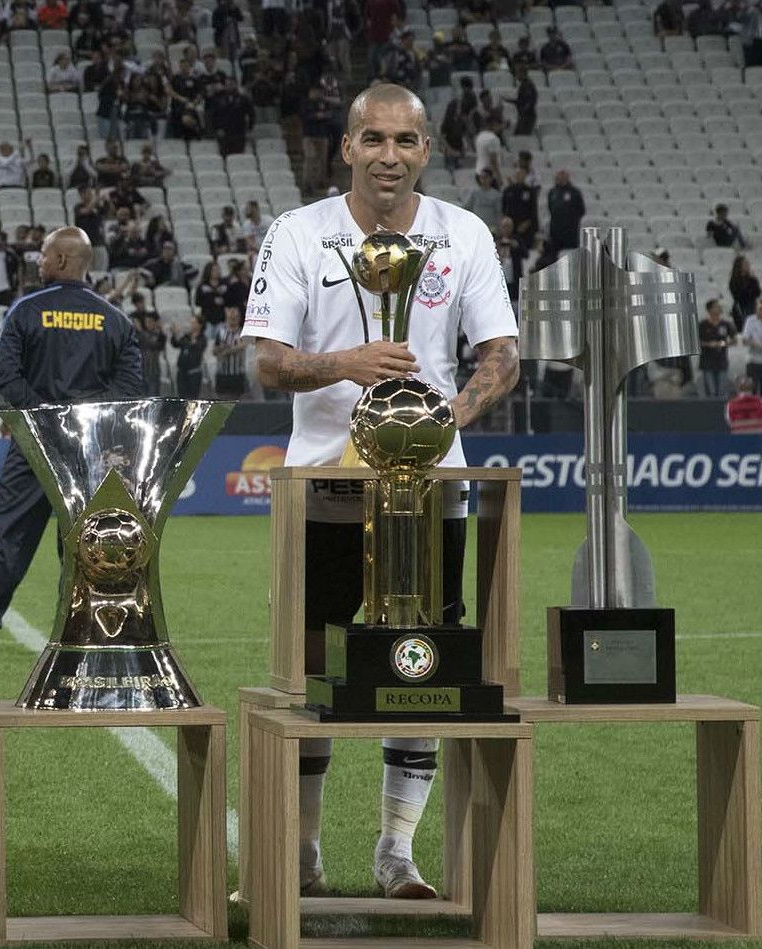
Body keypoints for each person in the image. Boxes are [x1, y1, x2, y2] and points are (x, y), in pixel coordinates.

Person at [241, 83, 520, 900]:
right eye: (373, 140)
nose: (388, 156)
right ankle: (301, 853)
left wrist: (442, 419)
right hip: (323, 485)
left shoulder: (460, 233)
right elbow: (267, 360)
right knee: (312, 666)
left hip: (432, 488)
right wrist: (343, 365)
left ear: (425, 149)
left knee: (423, 660)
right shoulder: (298, 233)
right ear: (346, 147)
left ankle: (396, 852)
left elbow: (500, 355)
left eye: (404, 141)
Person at [0, 227, 143, 657]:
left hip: (34, 445)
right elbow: (129, 387)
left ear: (64, 261)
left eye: (46, 255)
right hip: (91, 451)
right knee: (85, 546)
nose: (39, 261)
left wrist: (44, 415)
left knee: (10, 540)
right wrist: (79, 416)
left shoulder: (25, 311)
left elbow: (5, 377)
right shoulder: (116, 320)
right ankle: (80, 636)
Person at [697, 299, 734, 397]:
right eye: (716, 306)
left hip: (721, 361)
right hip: (707, 362)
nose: (719, 308)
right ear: (710, 310)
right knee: (711, 391)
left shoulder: (725, 324)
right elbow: (697, 342)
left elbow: (734, 340)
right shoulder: (703, 325)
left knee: (722, 391)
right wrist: (709, 344)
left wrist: (724, 343)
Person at [546, 169, 585, 252]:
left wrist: (571, 220)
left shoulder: (575, 192)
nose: (561, 179)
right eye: (559, 177)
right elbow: (550, 208)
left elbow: (581, 210)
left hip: (570, 232)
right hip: (555, 231)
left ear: (567, 178)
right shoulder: (552, 192)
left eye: (563, 177)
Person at [741, 300, 762, 396]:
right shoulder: (750, 320)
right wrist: (757, 344)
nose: (759, 311)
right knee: (752, 388)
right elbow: (745, 339)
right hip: (753, 359)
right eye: (758, 309)